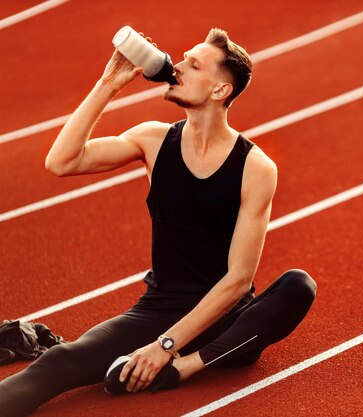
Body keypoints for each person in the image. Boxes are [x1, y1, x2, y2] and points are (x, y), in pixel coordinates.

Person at [0, 28, 316, 417]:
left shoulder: (255, 167)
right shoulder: (153, 139)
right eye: (182, 59)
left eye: (193, 65)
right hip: (159, 308)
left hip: (225, 321)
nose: (177, 66)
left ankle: (186, 367)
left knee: (298, 286)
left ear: (220, 91)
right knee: (59, 361)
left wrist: (165, 349)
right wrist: (108, 84)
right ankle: (167, 364)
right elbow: (61, 161)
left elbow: (237, 280)